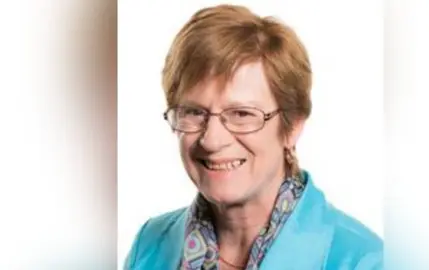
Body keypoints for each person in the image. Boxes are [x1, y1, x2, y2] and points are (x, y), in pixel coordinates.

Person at [124, 4, 383, 270]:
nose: (212, 140)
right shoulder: (149, 245)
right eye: (194, 112)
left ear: (292, 126)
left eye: (241, 114)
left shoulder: (365, 260)